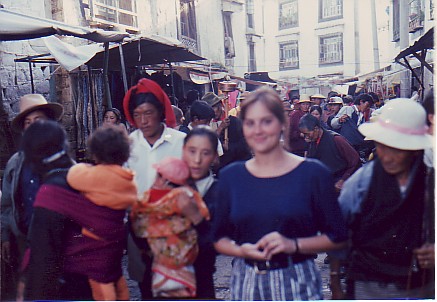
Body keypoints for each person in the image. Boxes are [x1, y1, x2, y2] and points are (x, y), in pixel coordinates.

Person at [212, 86, 348, 300]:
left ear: (282, 124)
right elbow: (218, 237)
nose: (258, 130)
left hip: (298, 280)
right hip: (246, 282)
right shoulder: (231, 177)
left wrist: (293, 245)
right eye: (250, 123)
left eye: (266, 121)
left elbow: (338, 237)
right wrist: (242, 251)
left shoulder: (312, 173)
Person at [330, 98, 435, 299]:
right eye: (382, 147)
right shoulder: (362, 182)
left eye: (397, 149)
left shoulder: (430, 180)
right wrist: (335, 282)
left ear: (414, 150)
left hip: (420, 286)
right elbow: (338, 231)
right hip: (368, 284)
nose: (387, 156)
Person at [122, 78, 186, 299]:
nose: (143, 120)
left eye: (148, 113)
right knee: (145, 284)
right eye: (137, 114)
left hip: (175, 227)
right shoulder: (128, 145)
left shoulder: (182, 142)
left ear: (160, 111)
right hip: (139, 228)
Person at [1, 94, 63, 300]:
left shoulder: (63, 161)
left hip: (58, 243)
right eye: (28, 122)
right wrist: (5, 236)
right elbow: (7, 205)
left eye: (38, 120)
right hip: (24, 240)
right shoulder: (15, 163)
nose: (33, 126)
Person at [21, 121, 92, 300]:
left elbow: (43, 257)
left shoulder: (50, 193)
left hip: (65, 285)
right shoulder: (81, 176)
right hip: (93, 280)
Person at [66, 125, 137, 300]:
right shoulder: (128, 181)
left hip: (94, 239)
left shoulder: (92, 176)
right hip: (115, 237)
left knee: (100, 280)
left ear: (95, 153)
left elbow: (73, 174)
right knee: (113, 272)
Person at [131, 157, 210, 298]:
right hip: (186, 269)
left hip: (156, 267)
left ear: (163, 179)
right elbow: (204, 224)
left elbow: (136, 228)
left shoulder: (144, 201)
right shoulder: (190, 198)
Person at [182, 126, 220, 299]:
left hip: (202, 280)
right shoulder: (167, 186)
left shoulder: (220, 192)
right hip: (163, 281)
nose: (197, 160)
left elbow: (219, 240)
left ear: (213, 156)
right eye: (192, 151)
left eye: (205, 153)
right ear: (182, 152)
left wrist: (197, 218)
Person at [299, 113, 360, 192]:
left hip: (340, 184)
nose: (306, 137)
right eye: (304, 134)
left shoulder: (336, 139)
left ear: (316, 128)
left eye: (307, 134)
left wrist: (343, 179)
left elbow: (355, 161)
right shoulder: (312, 141)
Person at [202, 92, 252, 171]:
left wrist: (229, 148)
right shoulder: (208, 125)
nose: (213, 111)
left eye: (214, 107)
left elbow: (244, 147)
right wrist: (220, 128)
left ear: (221, 105)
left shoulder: (235, 122)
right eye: (209, 108)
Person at [330, 93, 375, 160]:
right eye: (367, 105)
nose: (367, 108)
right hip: (346, 143)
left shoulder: (362, 115)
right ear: (361, 102)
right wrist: (339, 120)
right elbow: (333, 123)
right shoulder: (348, 109)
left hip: (355, 145)